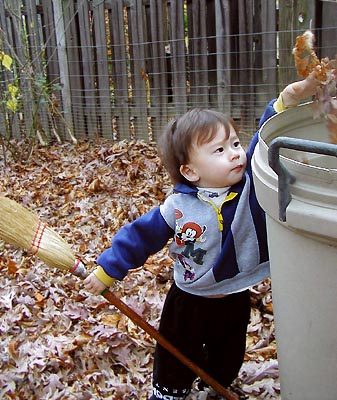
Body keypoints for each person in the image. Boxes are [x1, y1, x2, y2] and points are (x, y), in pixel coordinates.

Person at [83, 74, 320, 400]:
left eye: (235, 144)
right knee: (176, 354)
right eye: (220, 150)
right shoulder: (178, 208)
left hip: (235, 295)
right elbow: (140, 237)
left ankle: (215, 384)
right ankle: (169, 392)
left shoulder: (249, 182)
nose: (236, 153)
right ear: (190, 171)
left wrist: (288, 98)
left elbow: (265, 142)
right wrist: (108, 269)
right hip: (189, 299)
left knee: (229, 353)